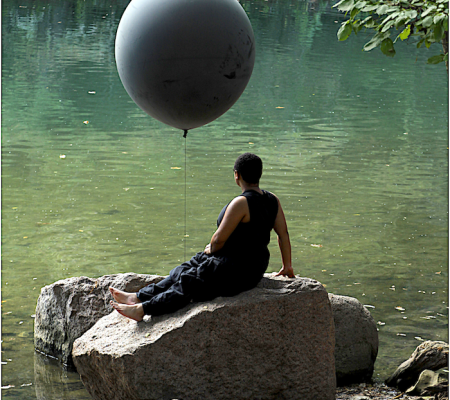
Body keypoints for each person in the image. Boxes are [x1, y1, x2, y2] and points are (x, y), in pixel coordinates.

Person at [110, 153, 294, 321]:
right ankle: (138, 296)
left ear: (237, 175)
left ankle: (143, 309)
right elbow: (283, 235)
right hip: (254, 266)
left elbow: (218, 240)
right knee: (186, 268)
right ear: (259, 174)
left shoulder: (242, 202)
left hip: (235, 268)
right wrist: (287, 265)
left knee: (189, 281)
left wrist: (211, 248)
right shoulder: (272, 200)